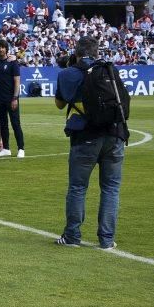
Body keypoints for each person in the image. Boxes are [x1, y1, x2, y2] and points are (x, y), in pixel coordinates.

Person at [54, 36, 129, 250]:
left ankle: (72, 236)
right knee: (111, 189)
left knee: (78, 188)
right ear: (97, 52)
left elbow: (60, 104)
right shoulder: (108, 70)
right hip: (115, 134)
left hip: (85, 135)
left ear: (76, 52)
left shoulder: (68, 73)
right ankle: (106, 240)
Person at [0, 40, 24, 158]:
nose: (1, 49)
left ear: (6, 49)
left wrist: (15, 97)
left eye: (3, 47)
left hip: (11, 98)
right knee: (3, 124)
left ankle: (21, 148)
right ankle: (6, 148)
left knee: (15, 123)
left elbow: (17, 80)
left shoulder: (13, 62)